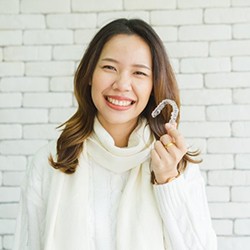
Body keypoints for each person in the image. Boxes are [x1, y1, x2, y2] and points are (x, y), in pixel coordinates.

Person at [13, 18, 217, 250]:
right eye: (110, 67)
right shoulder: (51, 161)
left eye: (139, 73)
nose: (122, 84)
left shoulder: (176, 164)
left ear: (153, 85)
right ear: (89, 74)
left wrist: (168, 181)